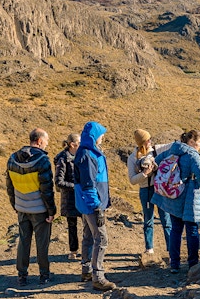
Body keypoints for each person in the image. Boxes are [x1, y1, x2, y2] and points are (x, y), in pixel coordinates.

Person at [151, 130, 200, 274]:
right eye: (199, 142)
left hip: (174, 196)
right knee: (192, 230)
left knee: (176, 229)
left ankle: (174, 264)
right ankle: (193, 265)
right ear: (191, 141)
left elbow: (156, 162)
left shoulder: (173, 149)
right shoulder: (192, 155)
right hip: (188, 196)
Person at [6, 128, 57, 286]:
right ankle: (44, 275)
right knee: (42, 243)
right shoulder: (42, 160)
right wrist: (51, 211)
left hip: (22, 208)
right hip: (39, 210)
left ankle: (22, 275)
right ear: (40, 141)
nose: (47, 144)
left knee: (23, 241)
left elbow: (9, 186)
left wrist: (15, 205)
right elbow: (46, 189)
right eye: (46, 141)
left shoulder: (12, 159)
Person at [73, 121, 116, 291]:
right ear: (94, 136)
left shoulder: (89, 152)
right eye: (101, 134)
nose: (103, 137)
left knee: (89, 236)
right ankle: (98, 277)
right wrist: (97, 207)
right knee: (101, 238)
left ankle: (87, 270)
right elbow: (89, 184)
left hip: (86, 203)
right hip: (91, 204)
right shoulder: (88, 155)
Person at [127, 129, 173, 256]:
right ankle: (149, 248)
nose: (150, 141)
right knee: (148, 219)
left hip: (159, 189)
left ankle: (171, 248)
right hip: (145, 190)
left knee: (166, 218)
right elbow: (132, 180)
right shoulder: (132, 158)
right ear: (142, 143)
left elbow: (171, 145)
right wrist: (144, 174)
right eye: (148, 140)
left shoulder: (156, 150)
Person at [54, 133, 82, 260]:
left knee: (87, 224)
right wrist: (75, 186)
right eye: (79, 143)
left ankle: (87, 250)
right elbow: (59, 181)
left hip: (81, 196)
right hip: (70, 198)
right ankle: (73, 250)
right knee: (72, 225)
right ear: (72, 144)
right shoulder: (63, 159)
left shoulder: (80, 156)